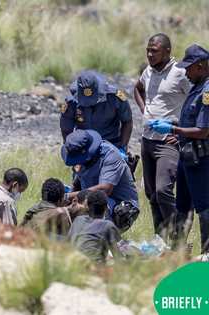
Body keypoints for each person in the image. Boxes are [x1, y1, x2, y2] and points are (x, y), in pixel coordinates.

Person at [150, 44, 209, 253]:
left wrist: (174, 129)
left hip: (201, 159)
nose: (185, 72)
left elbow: (203, 131)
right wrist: (175, 127)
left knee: (204, 207)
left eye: (189, 67)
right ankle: (179, 251)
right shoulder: (196, 85)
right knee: (183, 206)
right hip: (187, 157)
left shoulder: (207, 91)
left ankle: (206, 254)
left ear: (201, 66)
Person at [134, 33, 191, 241]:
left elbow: (196, 101)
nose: (149, 54)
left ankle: (178, 239)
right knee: (151, 194)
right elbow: (137, 89)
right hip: (147, 139)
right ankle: (160, 238)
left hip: (168, 142)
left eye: (154, 51)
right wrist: (145, 110)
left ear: (167, 51)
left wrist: (182, 130)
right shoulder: (148, 72)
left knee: (163, 190)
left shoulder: (180, 73)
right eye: (148, 50)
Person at [62, 129, 140, 231]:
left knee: (97, 202)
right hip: (90, 199)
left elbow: (105, 190)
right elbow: (78, 182)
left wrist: (68, 196)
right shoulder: (81, 159)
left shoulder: (110, 156)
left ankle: (100, 239)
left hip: (120, 206)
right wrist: (66, 200)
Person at [60, 70, 133, 157]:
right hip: (84, 147)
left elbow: (127, 121)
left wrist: (123, 148)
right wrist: (72, 150)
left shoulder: (114, 97)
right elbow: (66, 129)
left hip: (112, 144)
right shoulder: (71, 102)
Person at [68, 190, 123, 264]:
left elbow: (68, 243)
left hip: (72, 266)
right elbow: (118, 257)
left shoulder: (78, 220)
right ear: (106, 207)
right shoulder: (107, 225)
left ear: (87, 205)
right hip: (93, 270)